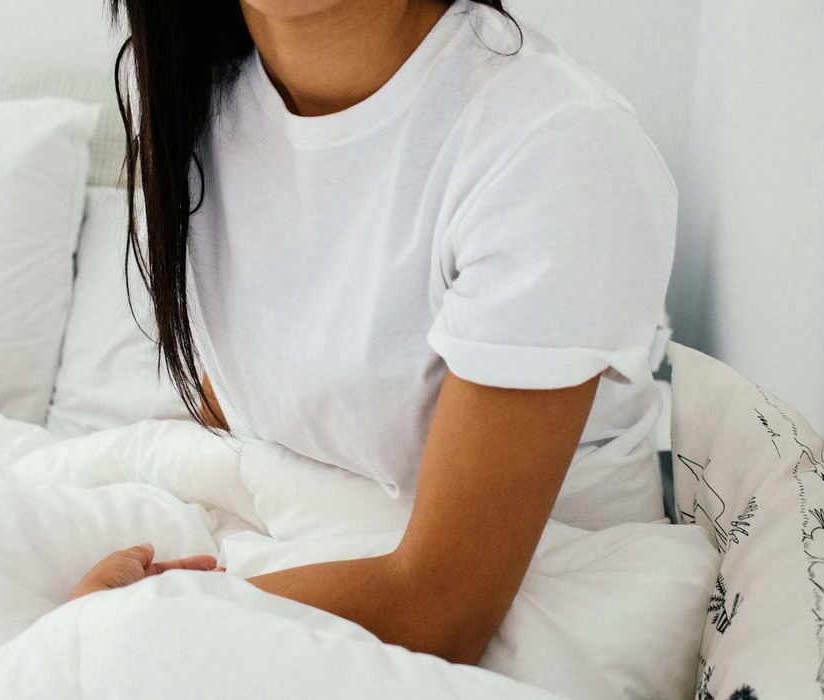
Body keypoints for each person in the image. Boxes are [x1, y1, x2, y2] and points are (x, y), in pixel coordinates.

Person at [73, 0, 677, 666]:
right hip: (296, 551)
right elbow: (245, 407)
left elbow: (441, 608)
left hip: (530, 620)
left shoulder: (552, 142)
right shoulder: (195, 96)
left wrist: (140, 621)